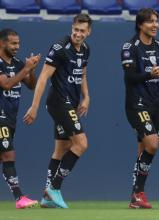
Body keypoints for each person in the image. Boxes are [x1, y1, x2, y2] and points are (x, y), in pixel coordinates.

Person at [23, 14, 92, 209]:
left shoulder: (86, 49)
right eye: (75, 30)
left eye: (82, 31)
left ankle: (46, 198)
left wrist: (86, 96)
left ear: (89, 32)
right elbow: (44, 78)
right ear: (72, 28)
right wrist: (34, 106)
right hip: (59, 102)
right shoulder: (60, 48)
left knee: (61, 149)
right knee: (81, 143)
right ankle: (54, 187)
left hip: (71, 101)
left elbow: (82, 73)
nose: (78, 34)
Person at [120, 8, 159, 209]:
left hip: (155, 106)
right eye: (150, 22)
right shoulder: (130, 47)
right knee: (153, 144)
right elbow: (129, 77)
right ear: (140, 25)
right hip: (136, 105)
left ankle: (135, 198)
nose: (155, 25)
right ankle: (139, 192)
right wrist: (149, 75)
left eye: (156, 21)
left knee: (144, 150)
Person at [0, 28, 40, 209]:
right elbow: (7, 84)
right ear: (2, 43)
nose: (17, 47)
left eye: (18, 43)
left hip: (10, 117)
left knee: (5, 155)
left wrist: (31, 70)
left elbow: (31, 85)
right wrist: (26, 68)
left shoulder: (16, 63)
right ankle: (19, 198)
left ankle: (19, 198)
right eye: (13, 43)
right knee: (8, 154)